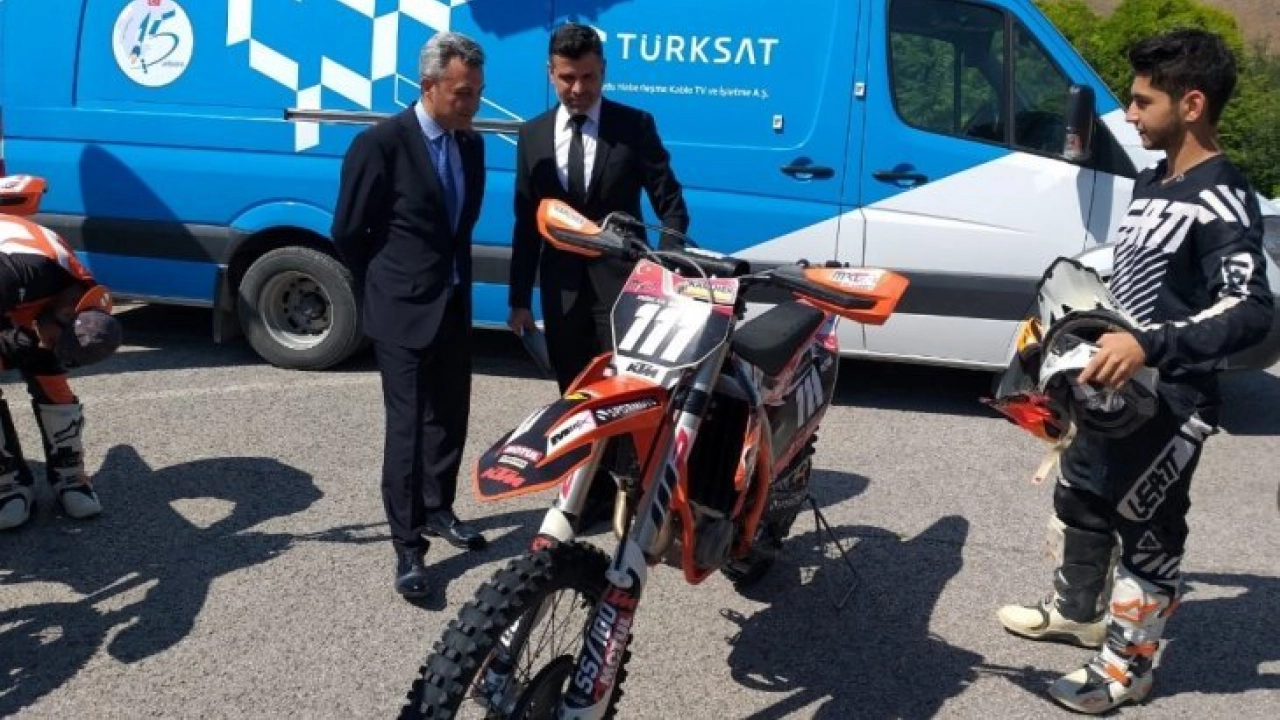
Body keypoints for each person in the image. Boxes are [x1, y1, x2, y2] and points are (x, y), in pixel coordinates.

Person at [997, 29, 1274, 713]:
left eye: (1143, 101)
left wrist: (1150, 346)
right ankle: (1078, 616)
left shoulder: (1222, 196)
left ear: (1191, 105)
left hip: (1172, 402)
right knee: (1081, 498)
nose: (1128, 112)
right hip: (1111, 392)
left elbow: (1251, 307)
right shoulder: (1154, 181)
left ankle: (1128, 670)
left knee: (1148, 531)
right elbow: (1135, 286)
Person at [506, 22, 690, 526]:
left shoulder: (634, 126)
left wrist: (667, 265)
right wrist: (519, 298)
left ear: (603, 71)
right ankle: (589, 493)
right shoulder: (532, 135)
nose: (578, 89)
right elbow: (526, 221)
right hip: (561, 291)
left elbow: (671, 203)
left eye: (588, 77)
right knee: (575, 393)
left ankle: (633, 488)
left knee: (626, 393)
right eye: (567, 78)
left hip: (623, 289)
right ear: (551, 73)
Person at [331, 32, 488, 600]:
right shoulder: (381, 144)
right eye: (463, 94)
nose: (472, 105)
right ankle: (407, 545)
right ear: (429, 86)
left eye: (477, 93)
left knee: (450, 418)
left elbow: (458, 228)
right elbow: (349, 231)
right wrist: (384, 284)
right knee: (407, 429)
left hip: (452, 303)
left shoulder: (470, 145)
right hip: (401, 310)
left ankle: (438, 508)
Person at [0, 198, 124, 530]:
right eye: (55, 341)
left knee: (53, 384)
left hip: (27, 298)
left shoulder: (83, 295)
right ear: (68, 314)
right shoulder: (24, 273)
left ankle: (70, 476)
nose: (49, 346)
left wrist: (38, 344)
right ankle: (8, 483)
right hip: (13, 280)